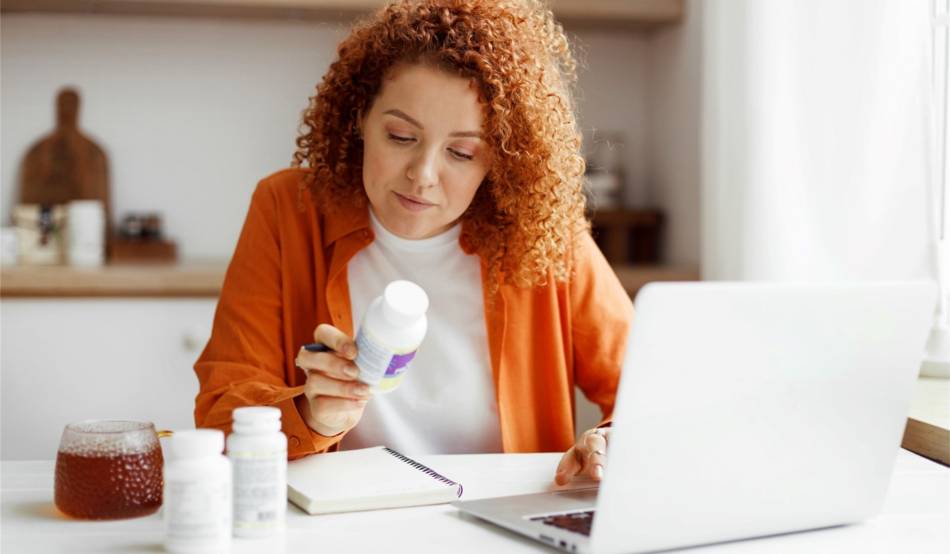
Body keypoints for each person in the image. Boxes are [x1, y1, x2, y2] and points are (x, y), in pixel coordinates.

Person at [194, 0, 632, 486]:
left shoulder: (542, 231)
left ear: (502, 160)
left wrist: (614, 441)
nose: (422, 176)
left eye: (462, 152)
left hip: (503, 520)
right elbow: (221, 410)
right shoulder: (288, 210)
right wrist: (310, 416)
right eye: (401, 136)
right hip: (344, 524)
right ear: (360, 117)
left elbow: (656, 394)